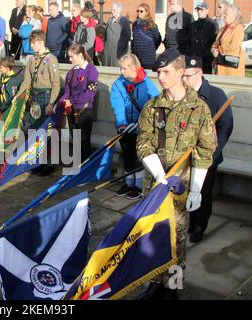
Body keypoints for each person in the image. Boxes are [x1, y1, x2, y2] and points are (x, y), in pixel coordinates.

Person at [136, 48, 216, 300]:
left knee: (176, 241)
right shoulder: (152, 107)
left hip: (180, 189)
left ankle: (172, 288)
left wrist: (196, 190)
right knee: (149, 238)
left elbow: (205, 150)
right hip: (154, 185)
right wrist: (160, 176)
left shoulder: (199, 109)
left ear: (181, 73)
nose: (160, 77)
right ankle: (154, 284)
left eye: (165, 71)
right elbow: (144, 143)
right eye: (158, 72)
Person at [183, 56, 233, 243]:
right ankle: (188, 221)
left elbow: (225, 126)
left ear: (200, 73)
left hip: (208, 155)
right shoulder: (183, 94)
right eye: (183, 76)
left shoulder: (216, 95)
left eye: (188, 76)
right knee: (187, 190)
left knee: (203, 191)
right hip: (186, 153)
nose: (185, 80)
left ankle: (199, 226)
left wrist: (212, 152)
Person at [110, 53, 160, 200]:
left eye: (124, 68)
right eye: (120, 68)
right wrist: (121, 124)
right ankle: (129, 182)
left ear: (134, 68)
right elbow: (117, 105)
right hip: (125, 126)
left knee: (139, 156)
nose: (121, 72)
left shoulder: (147, 84)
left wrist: (144, 123)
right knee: (127, 154)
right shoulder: (118, 84)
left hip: (141, 126)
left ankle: (139, 185)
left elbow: (154, 104)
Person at [15, 30, 60, 176]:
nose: (31, 46)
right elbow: (26, 81)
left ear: (40, 42)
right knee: (35, 131)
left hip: (46, 97)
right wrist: (18, 95)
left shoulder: (51, 59)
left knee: (46, 132)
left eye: (33, 43)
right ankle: (37, 162)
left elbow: (56, 84)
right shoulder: (31, 60)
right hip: (35, 98)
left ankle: (49, 164)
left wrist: (52, 103)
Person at [57, 44, 99, 162]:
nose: (69, 60)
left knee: (84, 142)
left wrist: (71, 101)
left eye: (71, 57)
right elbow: (66, 92)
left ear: (80, 55)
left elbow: (90, 93)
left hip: (84, 110)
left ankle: (86, 168)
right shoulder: (71, 72)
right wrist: (59, 103)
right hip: (72, 111)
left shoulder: (91, 70)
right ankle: (78, 165)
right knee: (75, 141)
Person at [212, 1, 245, 77]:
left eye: (226, 13)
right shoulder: (223, 28)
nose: (223, 15)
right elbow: (216, 42)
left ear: (233, 15)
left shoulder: (238, 28)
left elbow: (234, 46)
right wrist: (213, 49)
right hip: (220, 63)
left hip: (231, 67)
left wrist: (219, 49)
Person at [189, 2, 217, 74]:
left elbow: (214, 41)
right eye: (198, 10)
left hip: (206, 59)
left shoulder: (212, 24)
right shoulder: (193, 24)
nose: (199, 12)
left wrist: (208, 53)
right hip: (194, 57)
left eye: (201, 10)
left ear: (207, 10)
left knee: (205, 78)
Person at [131, 3, 162, 70]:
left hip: (148, 57)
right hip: (137, 57)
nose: (139, 13)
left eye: (141, 11)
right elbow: (134, 40)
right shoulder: (135, 24)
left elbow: (158, 39)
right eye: (138, 11)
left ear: (146, 12)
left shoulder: (151, 25)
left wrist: (152, 48)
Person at [103, 3, 131, 67]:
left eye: (114, 10)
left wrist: (122, 49)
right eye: (111, 10)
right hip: (108, 51)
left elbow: (127, 36)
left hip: (118, 51)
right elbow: (106, 35)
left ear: (119, 10)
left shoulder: (124, 21)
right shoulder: (110, 20)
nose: (112, 12)